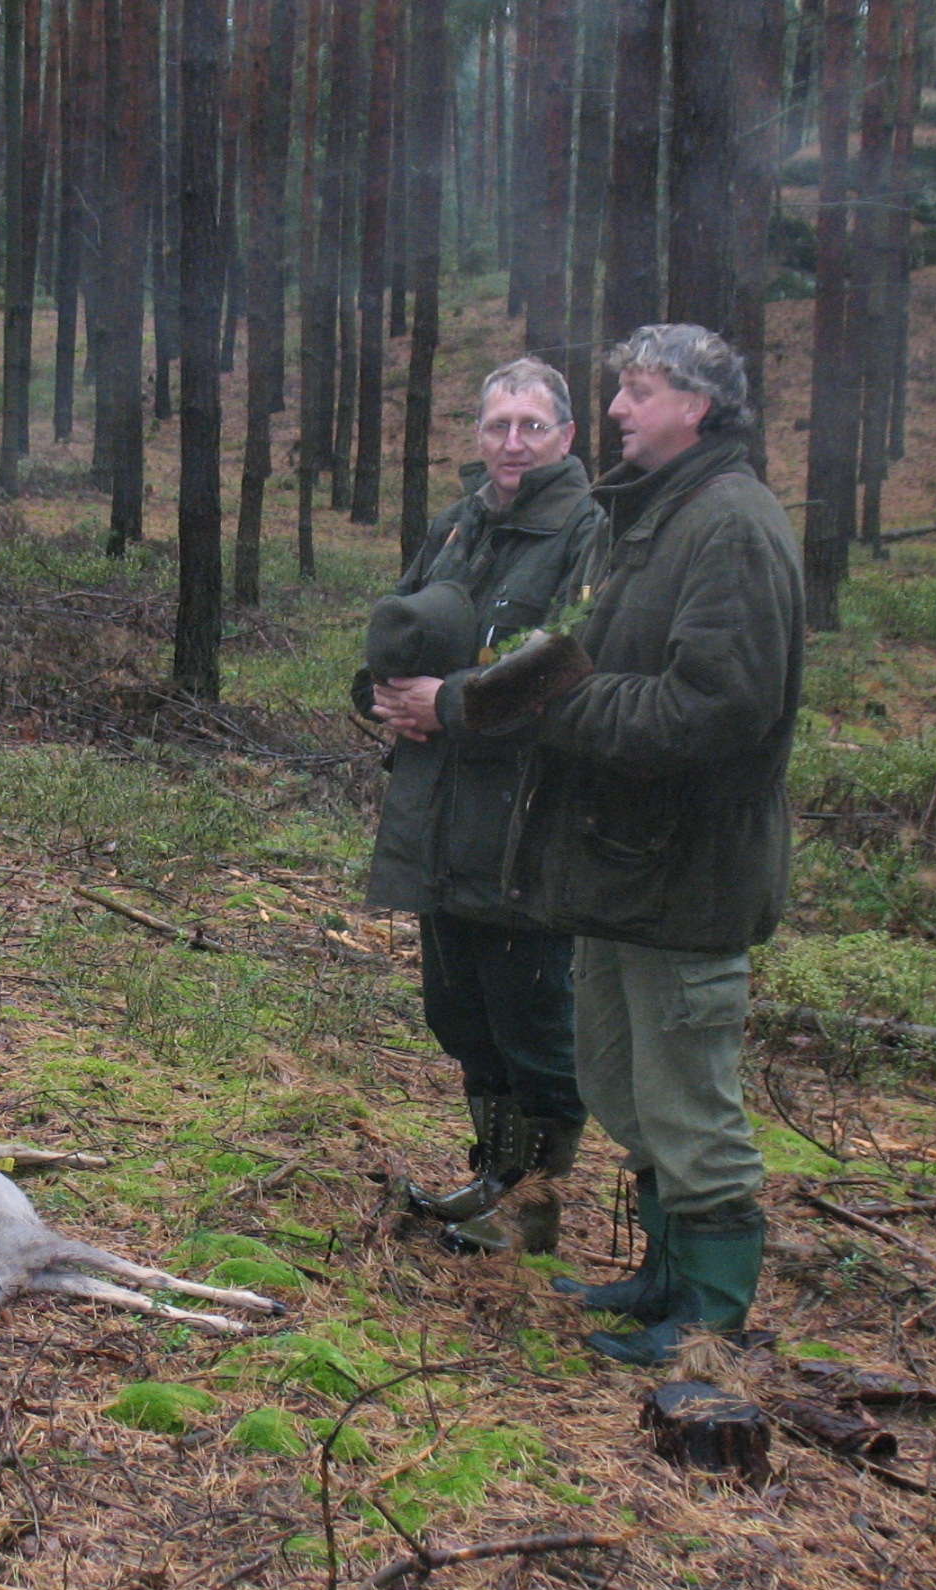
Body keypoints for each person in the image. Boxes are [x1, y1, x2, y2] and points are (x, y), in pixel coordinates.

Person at [379, 324, 803, 1364]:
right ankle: (663, 1277)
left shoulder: (733, 527)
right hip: (621, 873)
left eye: (638, 392)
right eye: (618, 391)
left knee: (690, 1099)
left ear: (697, 407)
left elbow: (718, 711)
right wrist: (480, 698)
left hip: (685, 873)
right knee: (627, 1083)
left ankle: (708, 1320)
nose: (617, 410)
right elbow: (570, 660)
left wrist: (552, 709)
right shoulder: (661, 515)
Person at [360, 358, 605, 1255]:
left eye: (532, 426)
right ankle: (493, 1178)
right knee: (458, 1011)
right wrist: (383, 692)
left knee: (531, 1015)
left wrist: (451, 703)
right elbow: (402, 628)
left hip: (525, 829)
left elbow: (575, 664)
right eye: (498, 424)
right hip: (439, 819)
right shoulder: (459, 524)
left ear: (567, 437)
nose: (513, 442)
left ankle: (532, 1207)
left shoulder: (588, 529)